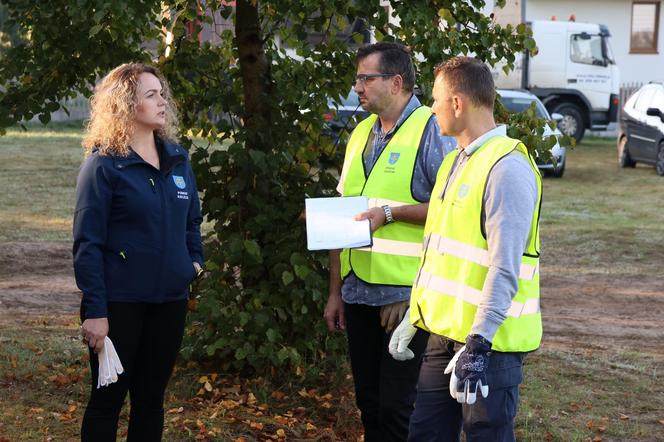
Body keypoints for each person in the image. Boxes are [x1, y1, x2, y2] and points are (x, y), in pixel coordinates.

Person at [389, 56, 542, 441]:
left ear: (457, 104)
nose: (431, 108)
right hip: (443, 336)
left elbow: (504, 266)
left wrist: (479, 342)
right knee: (424, 434)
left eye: (437, 99)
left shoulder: (506, 167)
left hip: (488, 347)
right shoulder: (454, 162)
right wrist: (416, 313)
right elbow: (441, 253)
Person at [324, 42, 456, 442]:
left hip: (405, 300)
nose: (357, 87)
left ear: (396, 82)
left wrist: (392, 215)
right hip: (358, 294)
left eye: (367, 78)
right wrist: (335, 292)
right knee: (369, 403)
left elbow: (451, 210)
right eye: (357, 79)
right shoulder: (361, 131)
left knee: (399, 409)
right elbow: (342, 213)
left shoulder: (431, 129)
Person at [73, 63, 204, 442]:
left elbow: (192, 221)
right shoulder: (103, 165)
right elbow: (87, 243)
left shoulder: (177, 158)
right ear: (126, 105)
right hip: (119, 305)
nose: (163, 101)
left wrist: (193, 263)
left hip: (169, 302)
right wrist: (96, 311)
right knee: (106, 402)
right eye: (151, 95)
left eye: (162, 93)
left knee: (151, 401)